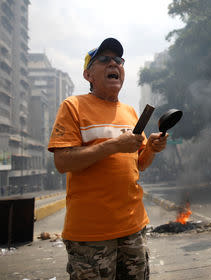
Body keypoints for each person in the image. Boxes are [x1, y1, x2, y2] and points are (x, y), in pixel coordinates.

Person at [48, 38, 168, 280]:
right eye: (104, 59)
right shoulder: (73, 106)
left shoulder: (130, 112)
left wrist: (152, 149)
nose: (114, 63)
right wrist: (114, 145)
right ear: (88, 75)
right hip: (90, 235)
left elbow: (139, 164)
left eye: (118, 60)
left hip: (133, 228)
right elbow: (62, 162)